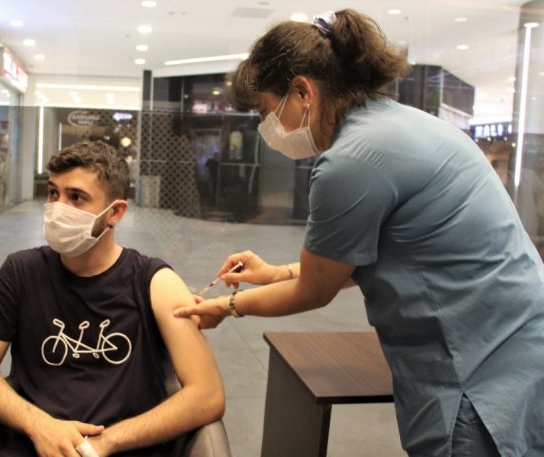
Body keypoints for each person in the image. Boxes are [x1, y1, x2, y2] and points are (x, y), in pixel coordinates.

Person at [174, 9, 544, 457]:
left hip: (477, 367)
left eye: (266, 112)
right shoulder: (397, 123)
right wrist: (275, 273)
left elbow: (315, 291)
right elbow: (365, 255)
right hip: (519, 343)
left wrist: (227, 306)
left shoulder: (350, 161)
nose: (265, 128)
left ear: (303, 91)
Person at [0, 140, 225, 457]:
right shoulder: (21, 272)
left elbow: (207, 393)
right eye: (53, 193)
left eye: (76, 197)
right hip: (39, 447)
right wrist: (39, 425)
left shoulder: (155, 282)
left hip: (128, 449)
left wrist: (104, 443)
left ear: (115, 213)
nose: (58, 208)